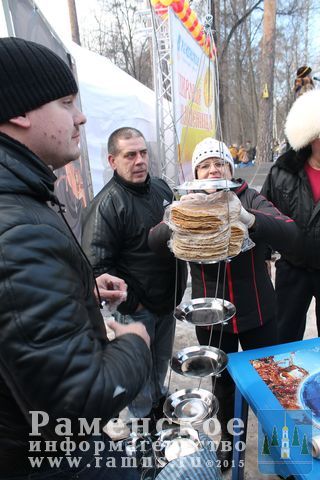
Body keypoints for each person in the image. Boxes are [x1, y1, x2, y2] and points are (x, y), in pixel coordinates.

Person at [0, 37, 151, 479]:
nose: (80, 116)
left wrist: (79, 289)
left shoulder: (22, 198)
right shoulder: (18, 227)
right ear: (19, 112)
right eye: (66, 102)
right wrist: (134, 344)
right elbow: (78, 399)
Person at [148, 137, 300, 471]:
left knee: (274, 382)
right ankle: (230, 446)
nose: (213, 169)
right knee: (225, 386)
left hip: (258, 311)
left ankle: (287, 451)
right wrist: (175, 219)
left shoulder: (248, 196)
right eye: (205, 165)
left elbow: (290, 232)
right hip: (212, 318)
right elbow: (154, 239)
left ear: (230, 169)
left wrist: (249, 218)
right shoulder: (186, 203)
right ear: (196, 174)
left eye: (220, 163)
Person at [82, 127, 187, 424]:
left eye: (143, 153)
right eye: (130, 155)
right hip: (136, 311)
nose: (139, 160)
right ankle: (143, 421)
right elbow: (97, 267)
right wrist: (133, 305)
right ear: (113, 160)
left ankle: (158, 402)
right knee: (138, 371)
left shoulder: (162, 190)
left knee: (161, 362)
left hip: (168, 303)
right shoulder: (107, 205)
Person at [261, 89, 320, 344]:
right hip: (292, 267)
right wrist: (263, 257)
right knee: (284, 337)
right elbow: (262, 214)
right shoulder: (282, 171)